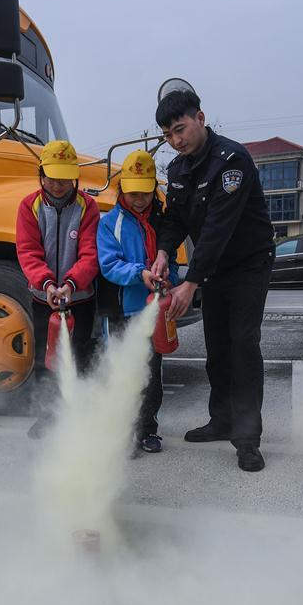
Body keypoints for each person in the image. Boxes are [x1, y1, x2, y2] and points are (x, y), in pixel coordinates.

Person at [151, 90, 275, 472]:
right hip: (215, 270)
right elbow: (173, 220)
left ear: (200, 118)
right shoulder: (177, 169)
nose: (176, 140)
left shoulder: (232, 160)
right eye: (169, 135)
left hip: (248, 265)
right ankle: (221, 421)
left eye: (180, 129)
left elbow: (219, 228)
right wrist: (162, 251)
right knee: (217, 347)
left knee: (242, 345)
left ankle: (248, 439)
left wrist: (190, 282)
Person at [17, 140, 100, 439]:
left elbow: (90, 254)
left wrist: (71, 284)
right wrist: (48, 284)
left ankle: (77, 415)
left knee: (77, 355)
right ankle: (48, 414)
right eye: (52, 176)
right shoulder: (29, 206)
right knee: (45, 357)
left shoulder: (87, 207)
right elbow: (28, 252)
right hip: (44, 298)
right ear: (41, 175)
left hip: (80, 298)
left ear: (75, 176)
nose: (59, 183)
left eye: (65, 176)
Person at [98, 150, 179, 453]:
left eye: (145, 192)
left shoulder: (163, 223)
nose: (139, 199)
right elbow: (108, 266)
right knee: (119, 373)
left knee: (150, 373)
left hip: (152, 311)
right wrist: (140, 273)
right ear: (121, 189)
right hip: (119, 311)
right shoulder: (109, 224)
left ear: (153, 189)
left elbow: (173, 260)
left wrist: (170, 276)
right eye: (132, 193)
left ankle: (147, 429)